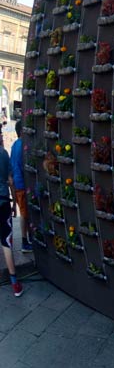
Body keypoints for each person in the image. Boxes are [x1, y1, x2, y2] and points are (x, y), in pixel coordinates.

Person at [0, 142, 20, 297]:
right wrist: (14, 202)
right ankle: (15, 284)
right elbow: (10, 180)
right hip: (3, 202)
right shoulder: (3, 153)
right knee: (6, 242)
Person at [9, 121, 29, 252]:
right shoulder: (22, 145)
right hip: (22, 183)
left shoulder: (14, 145)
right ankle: (24, 242)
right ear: (22, 131)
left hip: (16, 183)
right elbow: (23, 166)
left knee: (24, 212)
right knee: (24, 214)